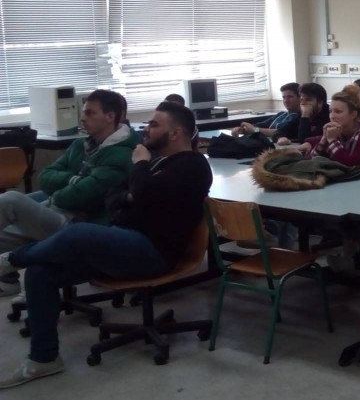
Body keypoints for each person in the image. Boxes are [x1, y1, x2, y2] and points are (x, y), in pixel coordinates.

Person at [0, 101, 212, 389]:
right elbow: (114, 196)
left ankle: (11, 260)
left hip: (153, 253)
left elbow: (143, 191)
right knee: (40, 273)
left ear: (175, 133)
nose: (146, 129)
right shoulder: (158, 163)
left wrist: (139, 170)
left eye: (154, 125)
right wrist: (131, 194)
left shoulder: (193, 166)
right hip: (123, 242)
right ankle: (44, 358)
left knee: (78, 233)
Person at [0, 89, 138, 298]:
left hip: (80, 228)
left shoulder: (122, 154)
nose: (82, 118)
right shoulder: (80, 144)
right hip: (57, 214)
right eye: (83, 112)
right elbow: (45, 177)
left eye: (90, 113)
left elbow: (81, 196)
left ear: (110, 116)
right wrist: (73, 180)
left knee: (11, 200)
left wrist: (59, 192)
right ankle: (8, 281)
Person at [297, 92, 360, 167]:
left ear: (353, 114)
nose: (332, 116)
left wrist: (332, 140)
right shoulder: (336, 131)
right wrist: (323, 140)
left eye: (338, 112)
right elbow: (311, 161)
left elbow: (352, 165)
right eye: (330, 111)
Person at [231, 82, 301, 142]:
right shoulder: (281, 114)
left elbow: (280, 132)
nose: (286, 100)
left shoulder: (299, 117)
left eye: (290, 97)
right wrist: (243, 129)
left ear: (300, 98)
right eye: (284, 97)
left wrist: (254, 130)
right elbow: (262, 125)